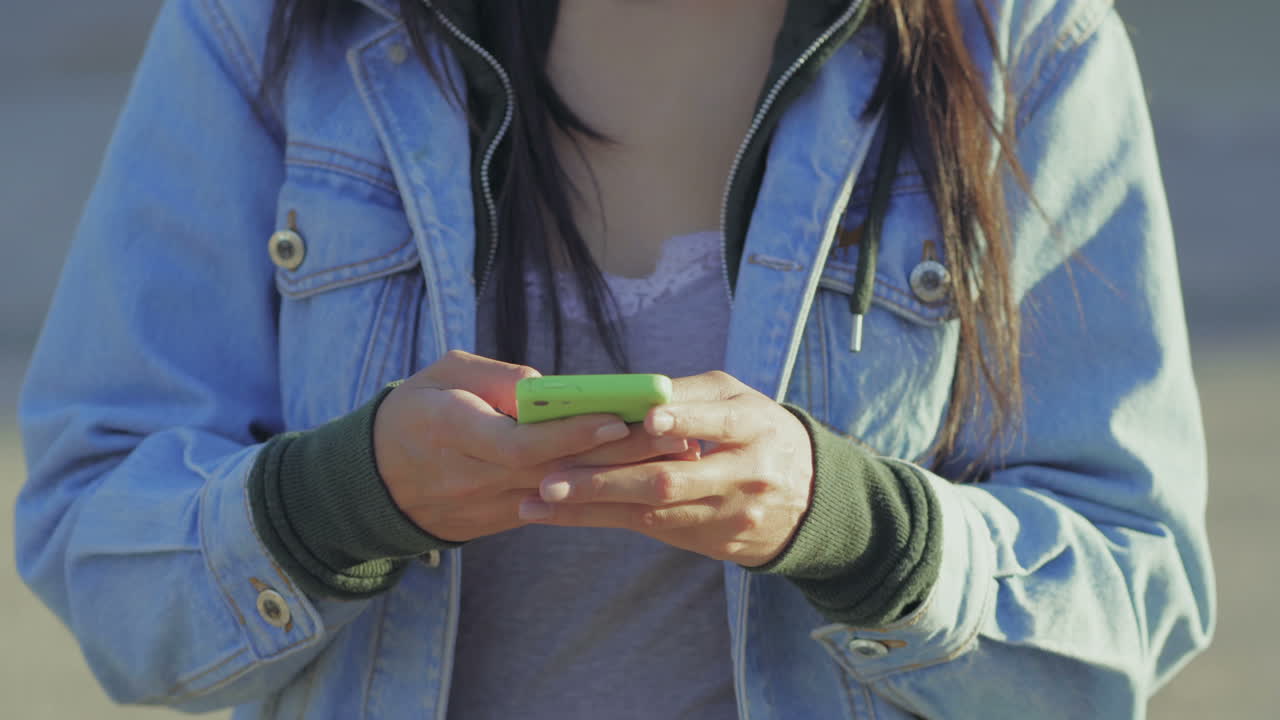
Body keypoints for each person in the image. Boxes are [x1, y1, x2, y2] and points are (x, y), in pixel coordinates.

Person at [15, 0, 1214, 717]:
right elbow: (98, 545)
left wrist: (846, 521)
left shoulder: (1018, 41)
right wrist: (348, 496)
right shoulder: (269, 30)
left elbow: (1130, 596)